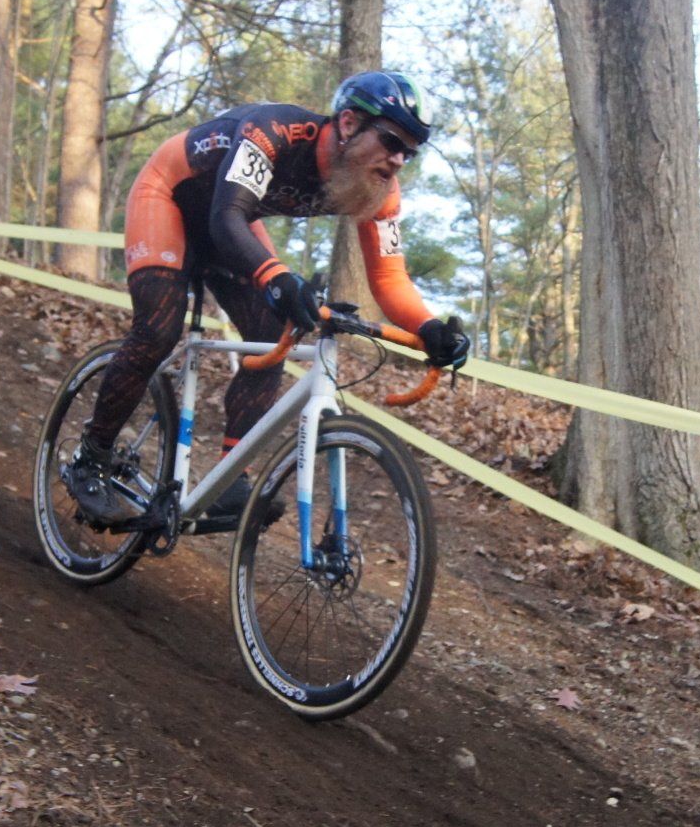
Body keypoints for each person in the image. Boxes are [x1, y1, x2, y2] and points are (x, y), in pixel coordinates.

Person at [66, 70, 472, 526]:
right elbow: (227, 216)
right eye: (393, 141)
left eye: (409, 153)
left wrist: (430, 328)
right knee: (159, 329)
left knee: (273, 332)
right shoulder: (276, 131)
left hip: (231, 219)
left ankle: (230, 479)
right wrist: (276, 277)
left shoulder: (378, 191)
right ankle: (91, 459)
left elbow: (389, 278)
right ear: (349, 123)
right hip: (171, 198)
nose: (398, 159)